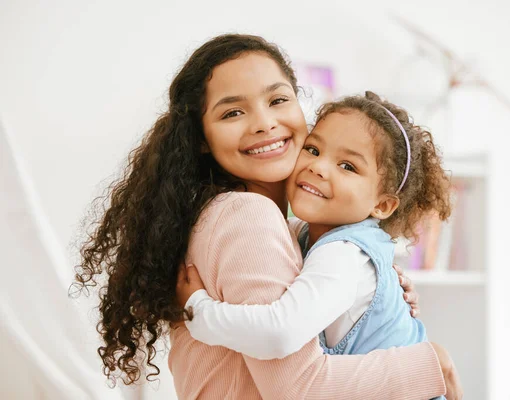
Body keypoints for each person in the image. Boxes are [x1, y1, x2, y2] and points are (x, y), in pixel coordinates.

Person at [73, 33, 461, 399]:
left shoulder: (245, 218)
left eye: (277, 100)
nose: (263, 123)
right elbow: (297, 386)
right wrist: (430, 364)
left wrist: (376, 290)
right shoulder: (249, 215)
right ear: (201, 139)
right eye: (233, 112)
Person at [176, 92, 452, 400]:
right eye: (313, 148)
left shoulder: (343, 255)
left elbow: (279, 333)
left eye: (347, 166)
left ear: (383, 204)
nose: (319, 167)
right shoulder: (314, 236)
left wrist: (199, 312)